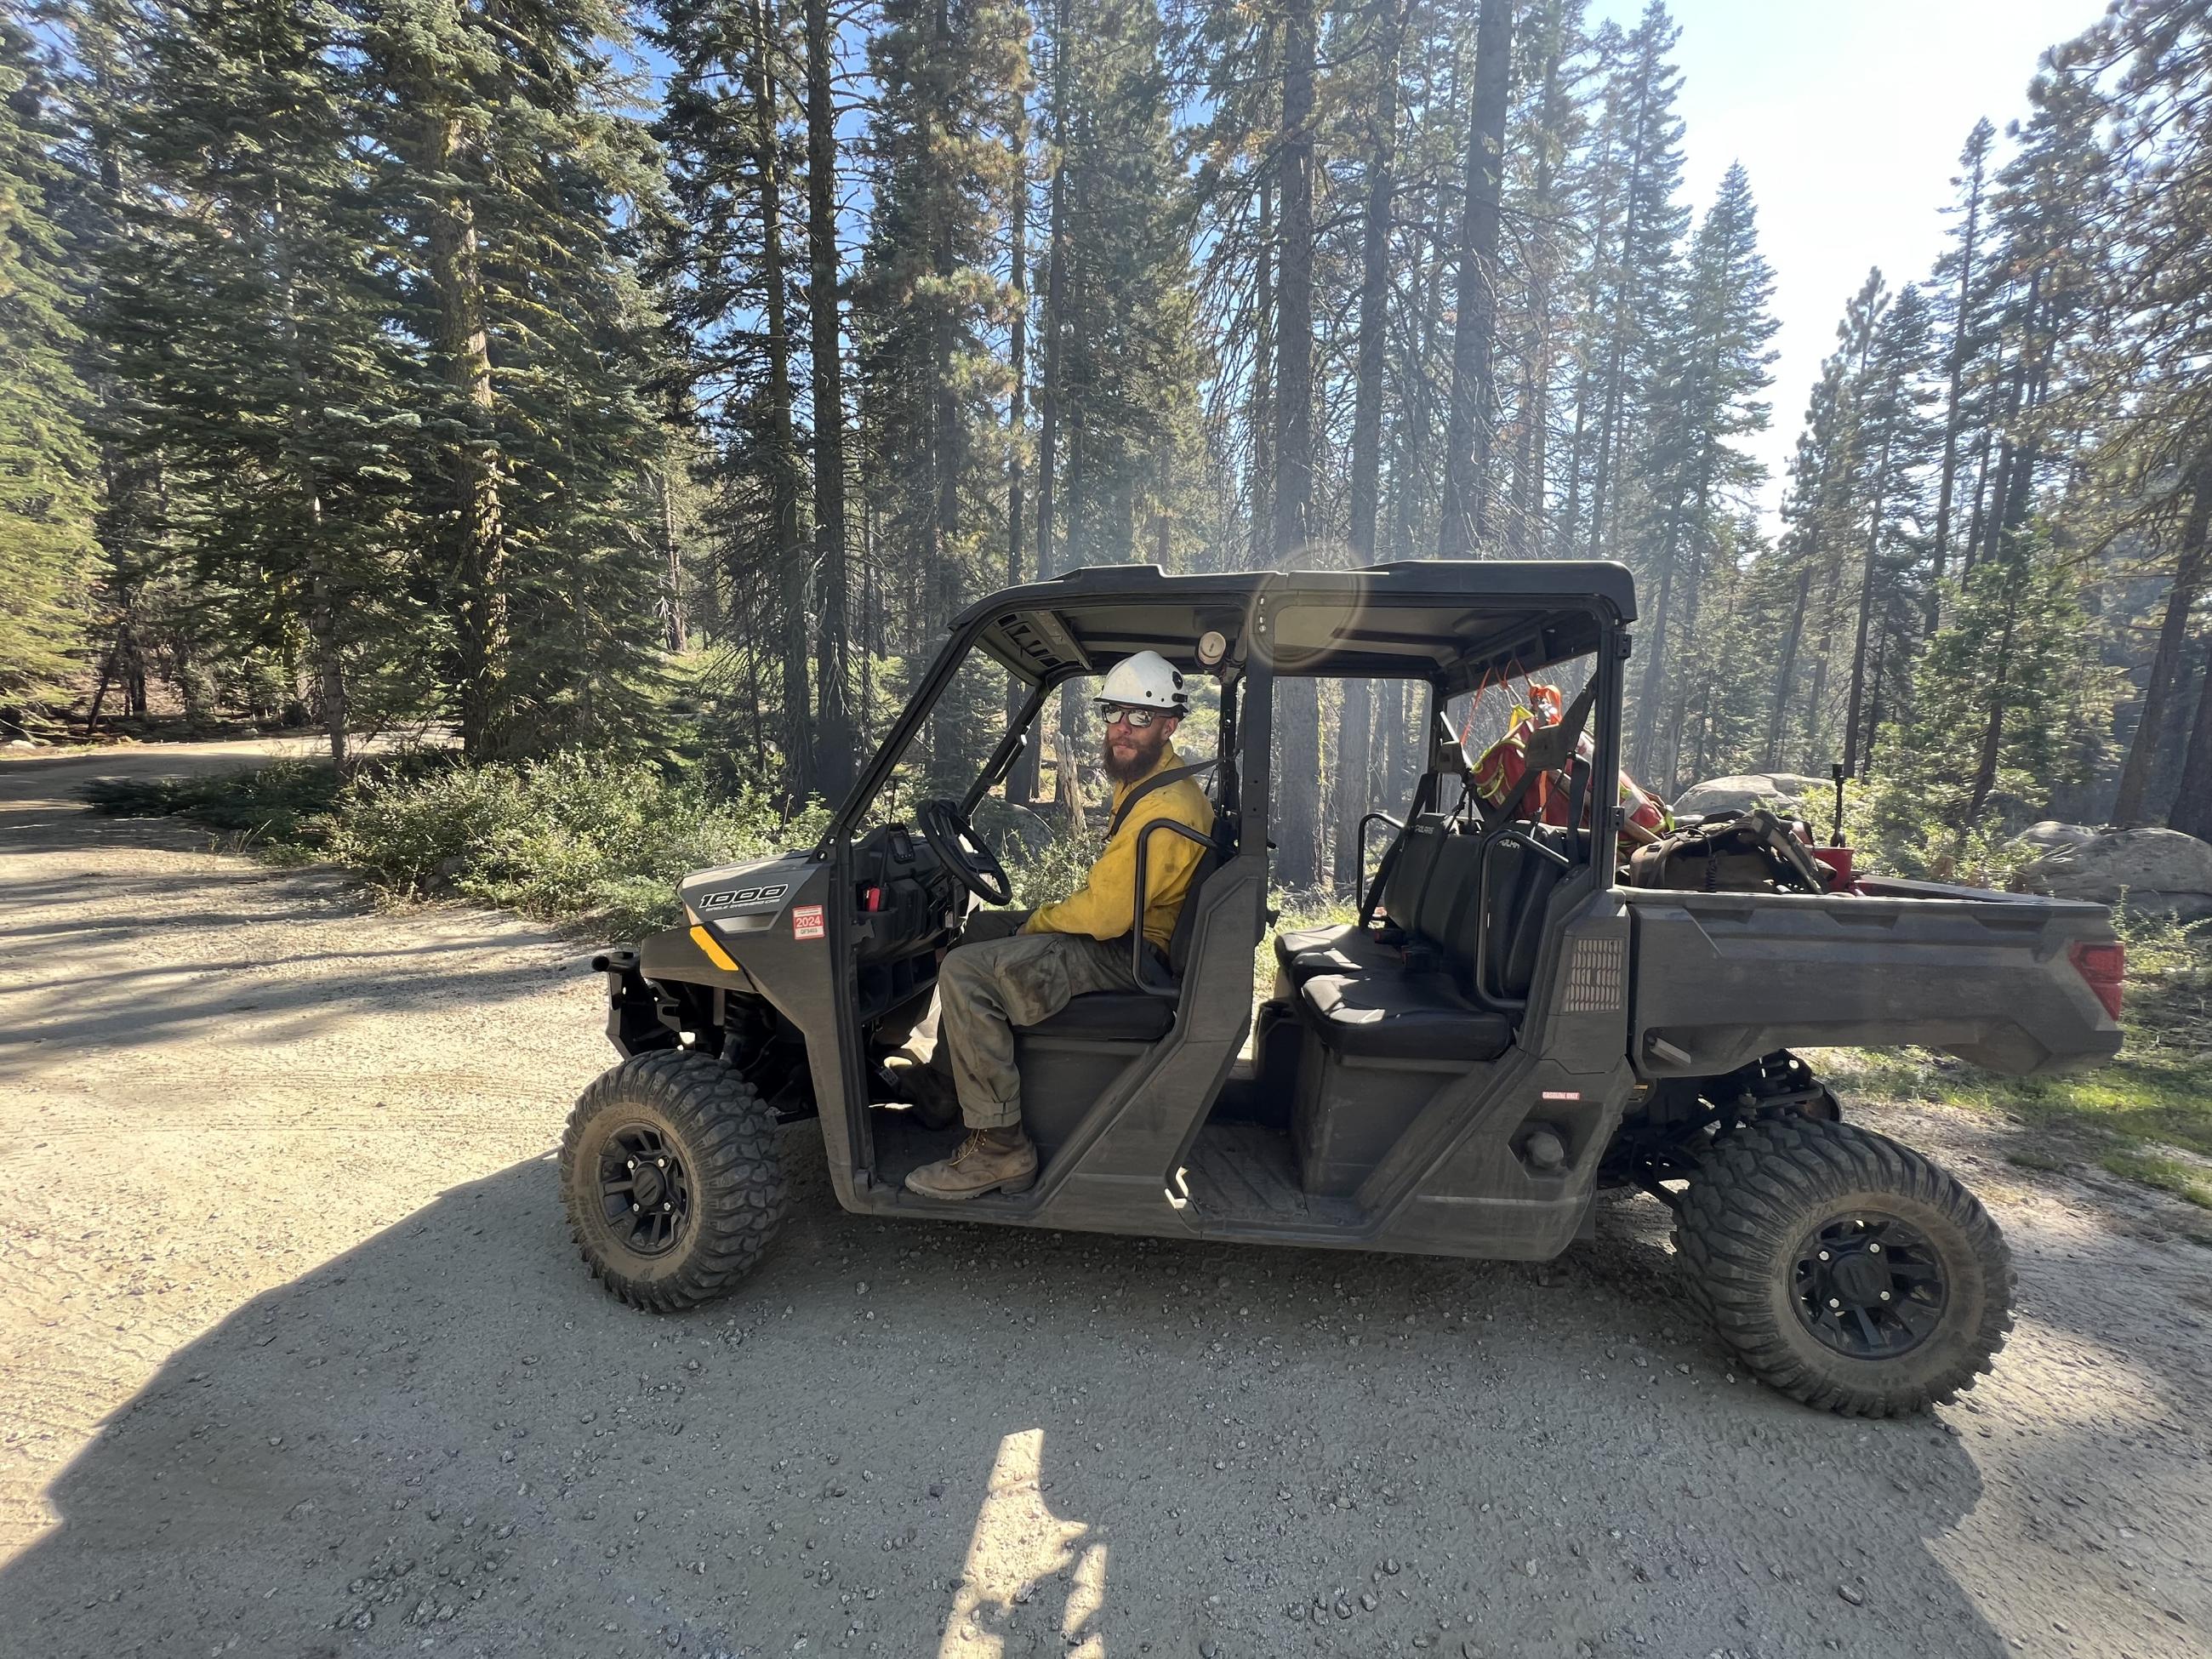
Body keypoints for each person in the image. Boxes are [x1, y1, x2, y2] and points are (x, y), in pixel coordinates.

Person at [898, 650, 1215, 1200]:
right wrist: (1027, 926)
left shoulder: (1167, 808)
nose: (1122, 728)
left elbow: (1104, 915)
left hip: (1131, 953)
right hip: (1128, 934)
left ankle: (999, 1147)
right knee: (981, 931)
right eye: (1115, 713)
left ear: (1170, 725)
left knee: (968, 972)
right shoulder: (1152, 778)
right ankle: (948, 1085)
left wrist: (1037, 925)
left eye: (1141, 717)